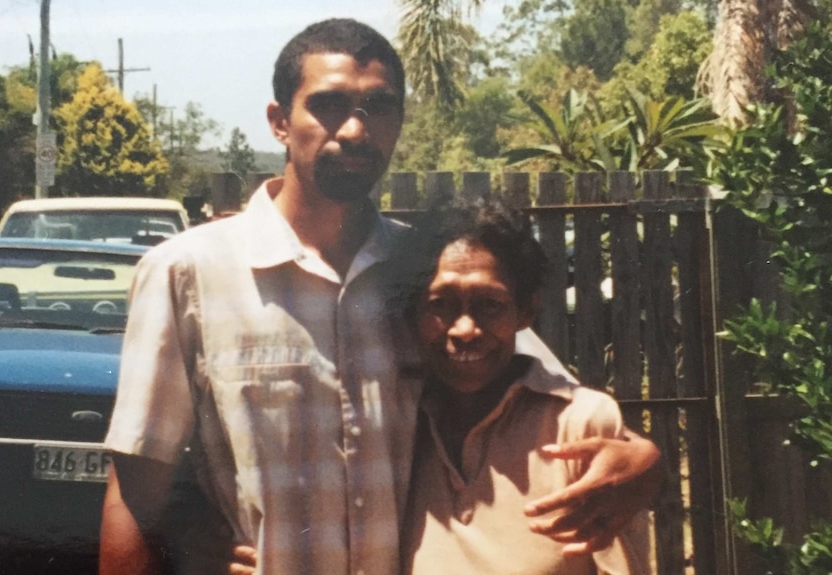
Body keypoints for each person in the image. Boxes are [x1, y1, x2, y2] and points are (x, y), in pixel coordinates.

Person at [100, 18, 661, 575]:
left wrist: (645, 458)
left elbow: (544, 388)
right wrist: (187, 536)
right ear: (278, 121)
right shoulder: (189, 272)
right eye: (328, 104)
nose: (355, 130)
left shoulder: (425, 271)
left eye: (379, 108)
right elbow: (134, 495)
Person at [395, 199, 650, 574]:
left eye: (490, 305)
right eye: (441, 304)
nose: (465, 330)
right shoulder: (401, 422)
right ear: (413, 312)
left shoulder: (579, 425)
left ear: (526, 311)